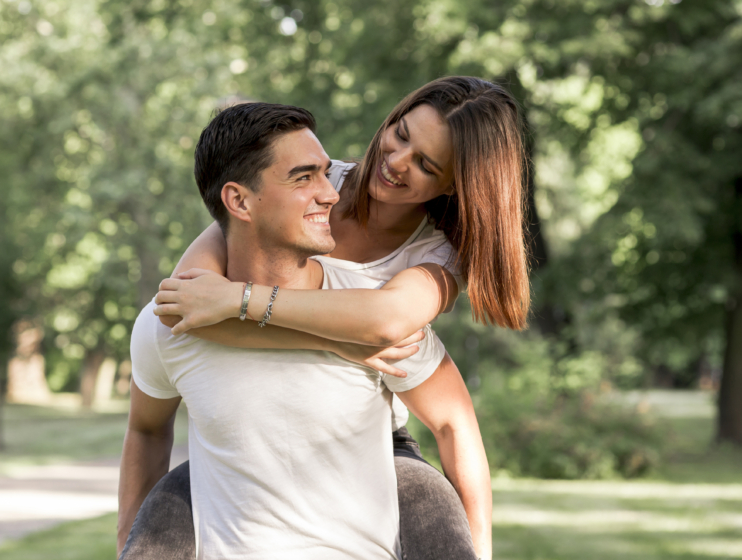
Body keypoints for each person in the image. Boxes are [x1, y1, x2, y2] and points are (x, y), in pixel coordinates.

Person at [151, 77, 529, 558]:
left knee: (431, 514)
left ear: (454, 184)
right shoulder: (312, 183)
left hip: (369, 435)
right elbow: (188, 304)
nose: (395, 163)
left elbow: (389, 320)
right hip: (249, 425)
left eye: (426, 165)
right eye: (402, 134)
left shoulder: (437, 253)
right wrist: (344, 344)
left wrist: (239, 300)